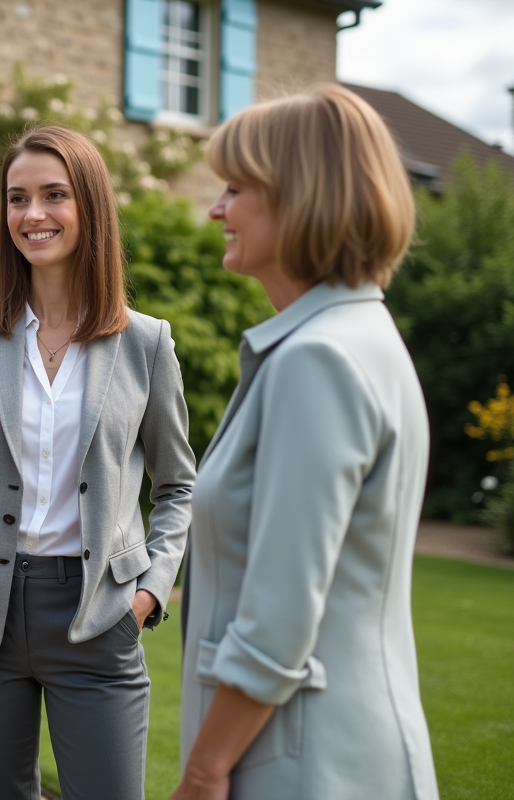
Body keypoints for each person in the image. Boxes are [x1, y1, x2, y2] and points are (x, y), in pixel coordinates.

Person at [0, 124, 196, 799]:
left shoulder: (146, 344)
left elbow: (177, 486)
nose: (32, 214)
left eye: (54, 195)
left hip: (98, 613)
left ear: (91, 207)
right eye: (17, 198)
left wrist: (148, 590)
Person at [172, 85, 438, 800]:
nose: (216, 210)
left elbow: (279, 617)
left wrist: (204, 770)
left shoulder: (315, 359)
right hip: (341, 749)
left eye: (234, 188)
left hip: (301, 761)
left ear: (299, 196)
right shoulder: (360, 335)